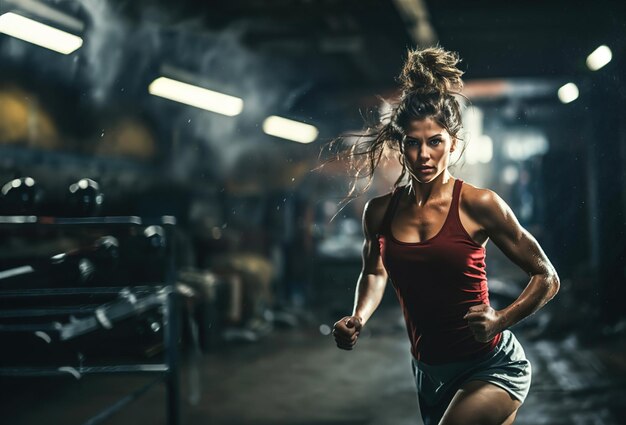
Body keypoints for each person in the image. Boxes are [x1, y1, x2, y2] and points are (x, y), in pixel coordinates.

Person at [331, 47, 560, 425]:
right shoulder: (380, 213)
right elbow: (374, 272)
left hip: (491, 365)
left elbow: (546, 277)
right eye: (413, 142)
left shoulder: (480, 204)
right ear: (399, 145)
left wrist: (501, 319)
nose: (424, 154)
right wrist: (358, 316)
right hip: (429, 373)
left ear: (453, 143)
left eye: (435, 141)